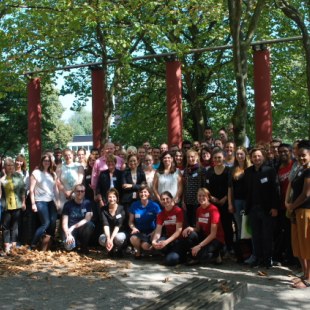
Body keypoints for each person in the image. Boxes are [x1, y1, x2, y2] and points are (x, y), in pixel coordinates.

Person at [244, 147, 280, 268]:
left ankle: (267, 259)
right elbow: (247, 191)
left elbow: (276, 190)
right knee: (256, 235)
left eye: (259, 156)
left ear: (263, 157)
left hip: (267, 209)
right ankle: (257, 258)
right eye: (254, 156)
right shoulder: (248, 172)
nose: (257, 158)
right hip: (253, 208)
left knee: (267, 235)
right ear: (251, 159)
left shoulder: (270, 171)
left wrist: (275, 207)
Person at [285, 140, 310, 288]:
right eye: (299, 155)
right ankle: (305, 273)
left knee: (307, 244)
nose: (301, 158)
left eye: (304, 155)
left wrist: (292, 207)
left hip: (306, 210)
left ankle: (308, 279)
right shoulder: (300, 169)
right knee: (298, 244)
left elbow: (306, 194)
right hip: (296, 211)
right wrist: (290, 206)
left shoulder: (309, 171)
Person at [182, 188, 225, 265]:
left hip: (216, 239)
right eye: (199, 196)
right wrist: (190, 228)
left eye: (203, 196)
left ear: (208, 197)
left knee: (203, 256)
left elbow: (213, 234)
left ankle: (218, 253)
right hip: (205, 237)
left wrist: (199, 246)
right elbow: (198, 229)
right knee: (190, 234)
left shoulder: (213, 210)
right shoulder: (199, 209)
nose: (201, 198)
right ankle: (195, 256)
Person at [205, 149, 233, 253]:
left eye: (219, 157)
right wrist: (211, 197)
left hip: (226, 201)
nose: (217, 160)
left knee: (227, 225)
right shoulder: (209, 171)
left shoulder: (229, 171)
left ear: (224, 158)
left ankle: (229, 247)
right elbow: (206, 187)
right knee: (214, 225)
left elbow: (231, 187)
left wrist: (225, 198)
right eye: (215, 158)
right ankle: (216, 247)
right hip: (213, 202)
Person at [29, 154, 59, 250]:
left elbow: (55, 189)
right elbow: (31, 189)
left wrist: (58, 202)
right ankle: (33, 244)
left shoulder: (53, 174)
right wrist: (33, 203)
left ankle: (48, 243)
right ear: (42, 161)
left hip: (51, 201)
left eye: (48, 161)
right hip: (40, 201)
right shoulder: (36, 173)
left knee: (53, 222)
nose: (47, 162)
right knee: (45, 223)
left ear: (51, 163)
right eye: (45, 160)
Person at [152, 191, 185, 266]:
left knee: (171, 260)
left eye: (167, 199)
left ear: (172, 199)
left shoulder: (178, 211)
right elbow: (158, 231)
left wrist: (166, 242)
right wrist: (154, 241)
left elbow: (178, 231)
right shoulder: (161, 214)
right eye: (163, 199)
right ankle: (170, 253)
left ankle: (181, 256)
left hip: (179, 239)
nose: (165, 201)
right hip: (169, 238)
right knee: (159, 242)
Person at [0, 157, 26, 254]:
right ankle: (7, 246)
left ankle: (13, 246)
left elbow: (23, 190)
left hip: (17, 204)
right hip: (6, 206)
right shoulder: (2, 179)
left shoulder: (18, 176)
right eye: (8, 165)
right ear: (5, 167)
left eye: (11, 165)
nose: (10, 167)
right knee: (5, 227)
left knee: (15, 226)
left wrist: (23, 202)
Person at [128, 185, 161, 258]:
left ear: (149, 193)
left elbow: (160, 221)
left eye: (145, 192)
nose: (143, 194)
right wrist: (133, 228)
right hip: (139, 232)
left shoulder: (155, 205)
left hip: (151, 232)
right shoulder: (134, 205)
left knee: (145, 246)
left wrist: (155, 231)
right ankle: (138, 252)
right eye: (141, 192)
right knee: (133, 238)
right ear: (139, 194)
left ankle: (148, 249)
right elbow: (130, 221)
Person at [62, 184, 95, 254]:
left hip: (80, 229)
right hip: (70, 230)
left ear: (84, 192)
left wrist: (73, 227)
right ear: (74, 192)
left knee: (90, 225)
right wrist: (68, 234)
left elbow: (87, 219)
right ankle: (75, 245)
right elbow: (64, 223)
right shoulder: (68, 204)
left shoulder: (87, 203)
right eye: (78, 191)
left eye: (82, 191)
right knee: (69, 247)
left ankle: (84, 246)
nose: (80, 193)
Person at [98, 188, 126, 257]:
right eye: (110, 197)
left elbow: (118, 225)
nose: (112, 199)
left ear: (117, 198)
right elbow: (105, 224)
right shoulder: (103, 209)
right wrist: (108, 238)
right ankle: (110, 249)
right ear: (107, 198)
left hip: (118, 232)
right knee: (101, 239)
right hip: (108, 233)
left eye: (114, 197)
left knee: (119, 238)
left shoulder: (121, 209)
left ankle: (119, 249)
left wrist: (111, 238)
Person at [183, 149, 207, 226]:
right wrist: (183, 200)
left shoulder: (201, 169)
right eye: (188, 157)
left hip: (198, 200)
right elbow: (184, 186)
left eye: (192, 157)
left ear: (197, 157)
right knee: (188, 222)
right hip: (188, 200)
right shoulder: (186, 170)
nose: (190, 159)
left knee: (197, 222)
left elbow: (205, 186)